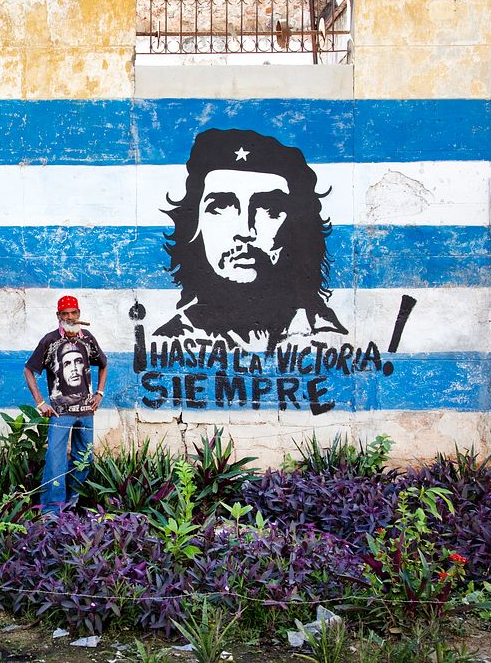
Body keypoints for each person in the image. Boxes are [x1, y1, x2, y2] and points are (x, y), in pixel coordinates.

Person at [155, 128, 347, 351]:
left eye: (269, 208)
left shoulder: (328, 339)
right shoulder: (169, 341)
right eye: (220, 206)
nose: (245, 230)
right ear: (194, 227)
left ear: (301, 229)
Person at [24, 295, 108, 514]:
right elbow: (29, 370)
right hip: (60, 413)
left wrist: (99, 393)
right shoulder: (50, 341)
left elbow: (104, 364)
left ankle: (69, 503)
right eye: (65, 313)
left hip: (87, 411)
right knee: (55, 460)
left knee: (85, 458)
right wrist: (40, 402)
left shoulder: (87, 338)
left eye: (73, 312)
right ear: (58, 316)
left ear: (79, 314)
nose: (70, 317)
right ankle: (51, 512)